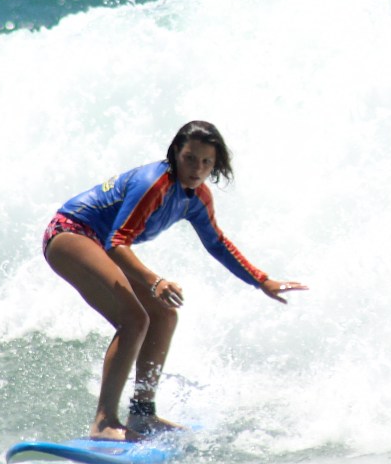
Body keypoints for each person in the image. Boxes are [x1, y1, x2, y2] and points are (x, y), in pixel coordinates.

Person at [43, 120, 307, 441]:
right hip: (69, 233)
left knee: (164, 315)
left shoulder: (196, 198)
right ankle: (103, 422)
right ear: (175, 155)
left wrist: (262, 280)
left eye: (207, 162)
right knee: (134, 319)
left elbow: (217, 243)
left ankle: (142, 415)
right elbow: (116, 241)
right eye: (190, 159)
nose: (197, 168)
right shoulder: (154, 184)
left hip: (99, 243)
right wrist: (155, 281)